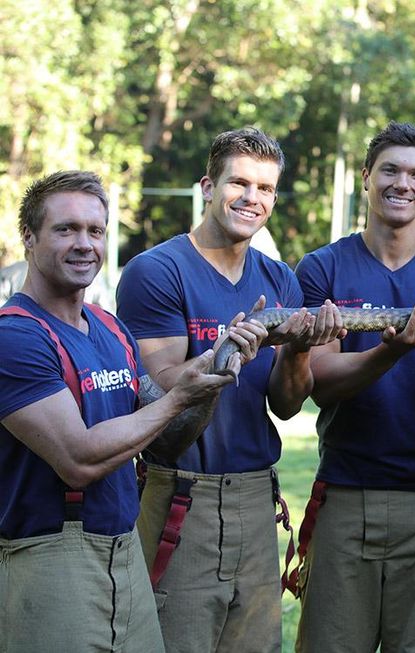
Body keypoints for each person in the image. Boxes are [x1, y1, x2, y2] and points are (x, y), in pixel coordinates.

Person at [115, 127, 344, 652]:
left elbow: (286, 405)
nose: (251, 198)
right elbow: (162, 409)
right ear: (207, 187)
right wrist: (224, 356)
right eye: (238, 183)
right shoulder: (157, 271)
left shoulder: (280, 278)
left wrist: (300, 349)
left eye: (265, 188)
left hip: (256, 497)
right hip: (180, 497)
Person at [0, 171, 234, 652]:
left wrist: (214, 377)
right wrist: (177, 397)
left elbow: (166, 439)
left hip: (125, 551)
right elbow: (78, 460)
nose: (84, 244)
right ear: (29, 236)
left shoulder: (110, 328)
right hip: (49, 559)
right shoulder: (16, 337)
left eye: (96, 230)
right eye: (66, 229)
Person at [291, 122, 415, 652]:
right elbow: (321, 383)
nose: (402, 183)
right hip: (345, 494)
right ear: (366, 177)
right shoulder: (322, 268)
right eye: (389, 170)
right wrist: (393, 350)